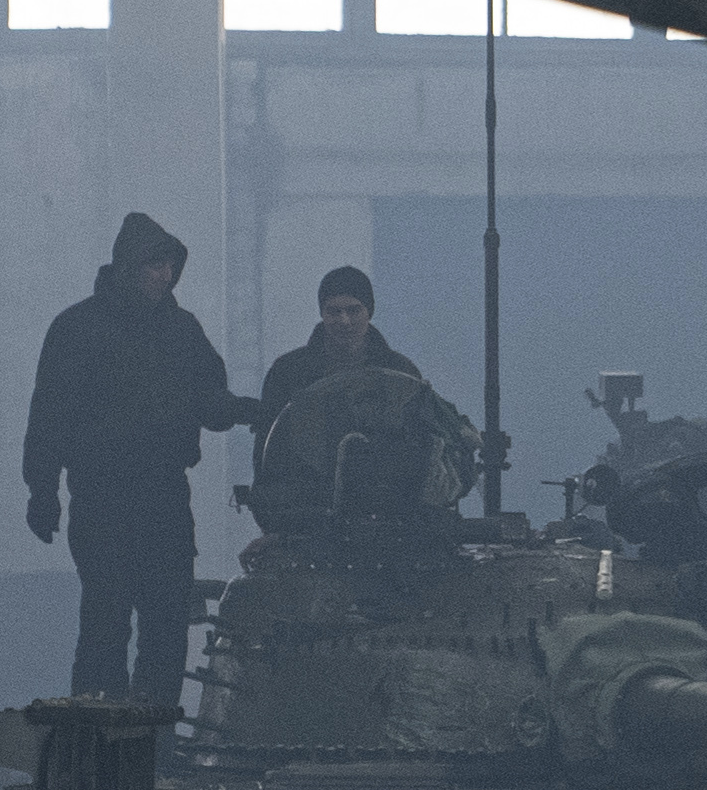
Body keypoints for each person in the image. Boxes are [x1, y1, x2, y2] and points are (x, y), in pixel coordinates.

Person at [23, 213, 257, 709]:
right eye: (154, 265)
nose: (164, 276)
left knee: (166, 628)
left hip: (164, 496)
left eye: (169, 266)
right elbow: (49, 417)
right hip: (102, 496)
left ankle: (156, 753)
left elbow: (210, 401)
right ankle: (96, 748)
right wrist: (41, 490)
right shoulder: (79, 329)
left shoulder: (180, 330)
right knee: (106, 626)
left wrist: (248, 411)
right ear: (128, 267)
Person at [253, 265, 421, 470]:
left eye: (353, 310)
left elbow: (418, 443)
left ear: (369, 311)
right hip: (305, 495)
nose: (344, 321)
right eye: (334, 311)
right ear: (322, 313)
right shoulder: (288, 372)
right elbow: (268, 446)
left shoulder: (401, 371)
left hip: (383, 495)